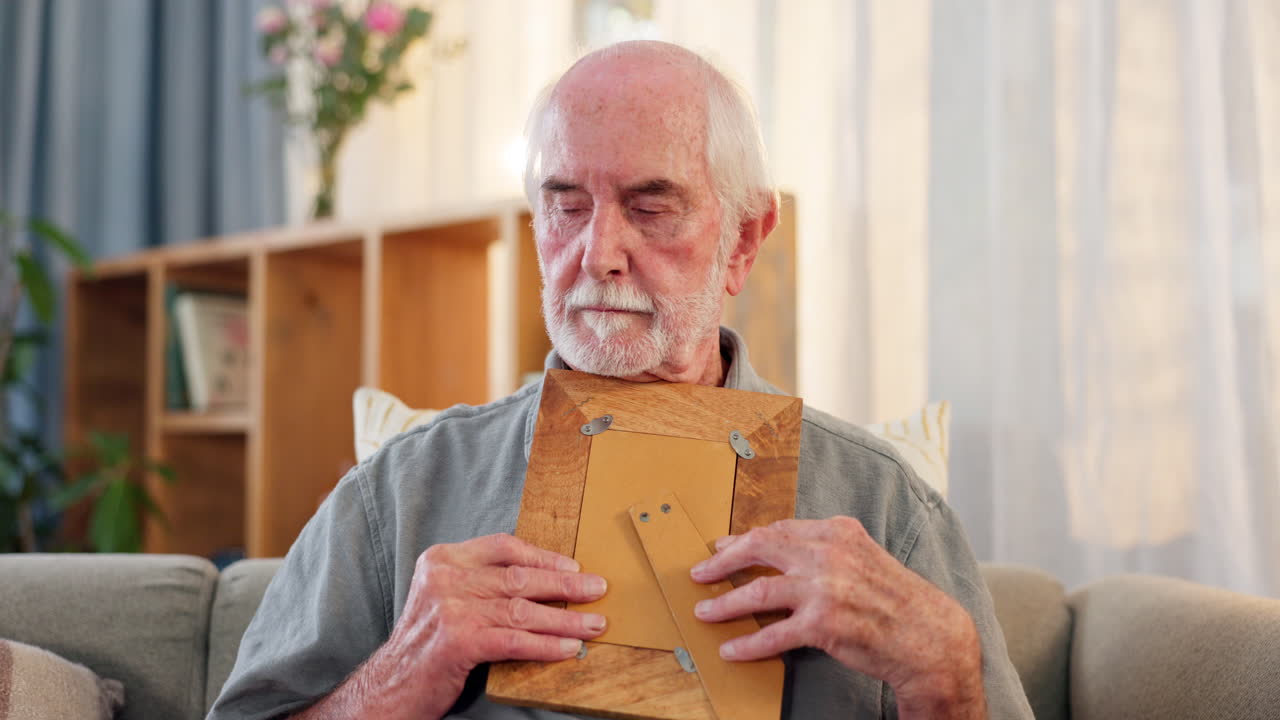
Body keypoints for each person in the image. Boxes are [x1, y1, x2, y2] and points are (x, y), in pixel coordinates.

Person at [208, 40, 1033, 720]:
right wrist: (399, 674)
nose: (597, 254)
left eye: (650, 205)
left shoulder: (885, 508)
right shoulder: (403, 491)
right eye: (566, 204)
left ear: (744, 240)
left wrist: (948, 679)